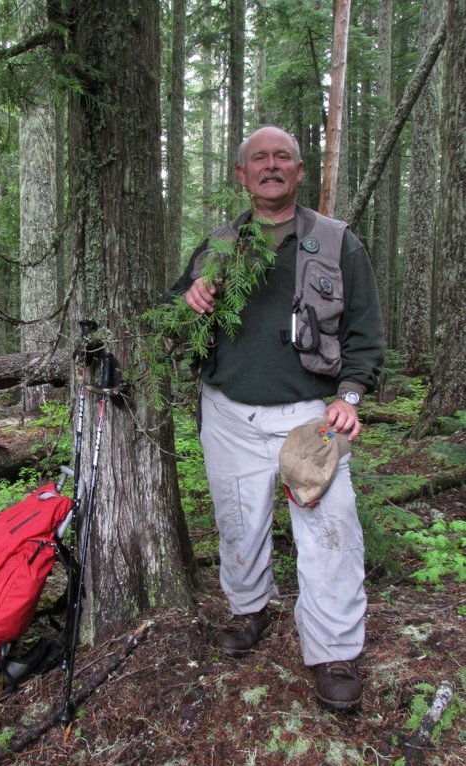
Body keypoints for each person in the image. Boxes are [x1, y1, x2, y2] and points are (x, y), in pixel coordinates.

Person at [167, 126, 385, 711]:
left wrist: (352, 396)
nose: (270, 166)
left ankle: (334, 650)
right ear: (242, 176)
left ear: (299, 170)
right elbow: (173, 313)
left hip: (311, 417)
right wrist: (186, 298)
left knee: (330, 533)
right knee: (238, 521)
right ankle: (248, 610)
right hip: (228, 411)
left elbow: (365, 331)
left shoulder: (337, 243)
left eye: (281, 157)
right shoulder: (218, 243)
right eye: (258, 159)